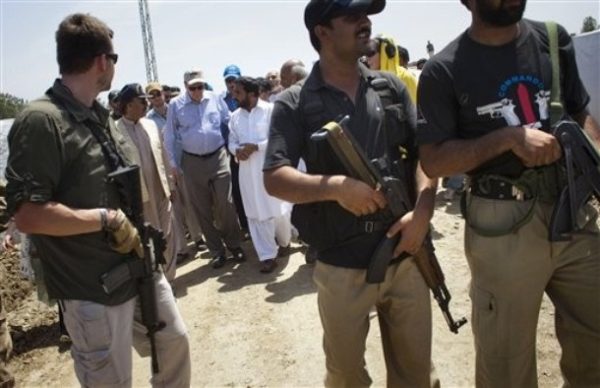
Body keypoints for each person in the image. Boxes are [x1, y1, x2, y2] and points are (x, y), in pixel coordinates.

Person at [417, 1, 600, 387]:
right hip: (503, 224)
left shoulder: (552, 39)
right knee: (505, 365)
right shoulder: (444, 69)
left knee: (594, 345)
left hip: (577, 214)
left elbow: (581, 113)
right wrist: (506, 139)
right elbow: (433, 161)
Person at [4, 14, 190, 386]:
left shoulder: (100, 116)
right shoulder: (42, 120)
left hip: (138, 268)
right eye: (115, 58)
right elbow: (28, 215)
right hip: (91, 287)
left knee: (173, 343)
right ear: (103, 61)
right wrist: (106, 219)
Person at [263, 1, 439, 386]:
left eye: (366, 14)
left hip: (406, 253)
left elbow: (425, 157)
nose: (366, 22)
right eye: (352, 16)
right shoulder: (295, 102)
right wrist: (336, 188)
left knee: (417, 376)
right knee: (345, 376)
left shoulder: (390, 87)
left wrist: (423, 212)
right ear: (322, 32)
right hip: (341, 265)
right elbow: (275, 177)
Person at [164, 68, 245, 269]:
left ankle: (234, 245)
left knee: (226, 203)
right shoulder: (175, 105)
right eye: (193, 87)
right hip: (191, 162)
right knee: (202, 209)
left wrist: (238, 145)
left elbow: (229, 123)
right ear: (185, 87)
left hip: (218, 156)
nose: (198, 90)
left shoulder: (215, 98)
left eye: (200, 86)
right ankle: (216, 251)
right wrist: (173, 164)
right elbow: (170, 136)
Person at [228, 77, 292, 274]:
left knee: (278, 210)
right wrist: (237, 151)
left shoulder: (270, 110)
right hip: (246, 172)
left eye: (238, 92)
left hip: (269, 169)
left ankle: (285, 241)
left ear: (252, 93)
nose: (234, 96)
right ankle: (267, 256)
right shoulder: (235, 117)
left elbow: (279, 136)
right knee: (255, 214)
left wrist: (256, 146)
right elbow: (231, 141)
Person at [116, 83, 178, 282]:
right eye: (141, 101)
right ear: (128, 105)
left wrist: (171, 185)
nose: (146, 104)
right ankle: (157, 281)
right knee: (150, 240)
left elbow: (164, 157)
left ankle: (169, 279)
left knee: (168, 235)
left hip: (161, 190)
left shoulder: (150, 125)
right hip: (140, 197)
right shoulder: (115, 131)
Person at [146, 82, 204, 262]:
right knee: (175, 209)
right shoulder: (149, 120)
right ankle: (181, 248)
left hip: (185, 163)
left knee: (191, 203)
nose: (156, 97)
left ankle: (198, 238)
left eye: (158, 93)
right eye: (152, 95)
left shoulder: (176, 110)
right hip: (166, 170)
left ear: (164, 94)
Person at [220, 64, 250, 238]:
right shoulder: (221, 101)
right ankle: (246, 226)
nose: (231, 84)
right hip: (232, 153)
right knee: (238, 191)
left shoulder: (249, 96)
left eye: (233, 79)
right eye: (228, 80)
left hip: (253, 151)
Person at [365, 35, 418, 103]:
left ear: (384, 54)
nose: (367, 59)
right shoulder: (368, 82)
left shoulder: (406, 77)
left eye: (371, 54)